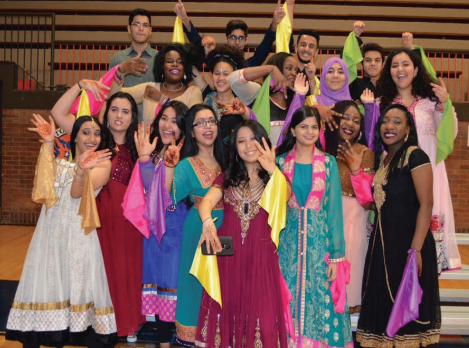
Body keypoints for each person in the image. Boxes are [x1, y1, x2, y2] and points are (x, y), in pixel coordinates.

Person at [6, 114, 116, 348]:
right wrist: (48, 143)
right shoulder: (57, 162)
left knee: (76, 295)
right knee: (46, 293)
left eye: (97, 133)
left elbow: (77, 193)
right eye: (86, 132)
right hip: (48, 239)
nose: (92, 138)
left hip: (77, 239)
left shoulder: (103, 163)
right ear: (74, 135)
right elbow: (43, 189)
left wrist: (81, 170)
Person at [51, 81, 144, 342]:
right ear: (106, 113)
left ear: (132, 117)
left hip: (128, 218)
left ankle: (126, 324)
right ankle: (95, 323)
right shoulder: (93, 136)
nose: (119, 115)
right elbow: (58, 114)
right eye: (114, 109)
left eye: (125, 111)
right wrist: (79, 86)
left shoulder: (139, 144)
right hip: (97, 215)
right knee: (98, 270)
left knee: (126, 269)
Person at [194, 120, 290, 347]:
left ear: (264, 142)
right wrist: (207, 222)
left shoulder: (275, 178)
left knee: (262, 313)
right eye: (241, 141)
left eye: (253, 139)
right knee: (227, 305)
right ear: (235, 148)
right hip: (228, 254)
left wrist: (271, 169)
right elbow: (206, 202)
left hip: (261, 255)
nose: (248, 145)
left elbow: (284, 198)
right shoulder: (227, 178)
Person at [365, 48, 460, 272]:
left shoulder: (431, 101)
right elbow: (374, 142)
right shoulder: (382, 103)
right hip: (395, 179)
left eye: (405, 64)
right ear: (389, 72)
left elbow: (450, 134)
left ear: (416, 70)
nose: (400, 69)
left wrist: (445, 104)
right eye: (395, 65)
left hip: (428, 175)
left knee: (425, 254)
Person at [356, 104, 441, 347]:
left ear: (407, 129)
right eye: (385, 121)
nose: (389, 126)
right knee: (385, 310)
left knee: (404, 313)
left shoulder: (415, 156)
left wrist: (415, 251)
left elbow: (426, 205)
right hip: (383, 246)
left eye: (397, 121)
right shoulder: (385, 160)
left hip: (408, 245)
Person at [276, 106, 353, 347]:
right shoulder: (279, 163)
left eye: (313, 127)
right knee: (285, 300)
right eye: (303, 126)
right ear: (293, 130)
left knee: (322, 304)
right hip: (286, 252)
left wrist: (337, 257)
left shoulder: (328, 163)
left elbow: (334, 213)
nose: (309, 132)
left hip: (320, 252)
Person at [166, 104, 227, 346]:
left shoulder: (231, 158)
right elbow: (168, 197)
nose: (207, 126)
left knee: (225, 288)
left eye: (211, 121)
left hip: (229, 230)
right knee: (197, 286)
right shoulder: (186, 165)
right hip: (198, 233)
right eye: (200, 123)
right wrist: (169, 168)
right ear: (191, 132)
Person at [135, 100, 190, 348]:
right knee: (158, 288)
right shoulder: (154, 151)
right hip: (154, 234)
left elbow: (167, 197)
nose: (168, 125)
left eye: (175, 120)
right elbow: (149, 191)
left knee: (175, 287)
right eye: (164, 118)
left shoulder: (188, 156)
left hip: (178, 230)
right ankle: (163, 344)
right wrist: (145, 158)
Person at [324, 100, 374, 313]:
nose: (350, 124)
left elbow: (368, 200)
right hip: (325, 216)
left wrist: (356, 170)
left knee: (350, 266)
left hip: (354, 216)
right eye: (345, 117)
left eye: (356, 121)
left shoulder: (365, 153)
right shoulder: (323, 148)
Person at [174, 0, 295, 67]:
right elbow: (197, 42)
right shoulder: (216, 61)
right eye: (233, 37)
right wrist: (185, 19)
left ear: (246, 41)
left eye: (241, 38)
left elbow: (267, 43)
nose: (237, 42)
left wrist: (274, 23)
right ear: (226, 39)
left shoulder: (250, 65)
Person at [110, 43, 203, 127]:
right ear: (162, 67)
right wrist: (121, 71)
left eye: (180, 62)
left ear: (185, 68)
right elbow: (115, 96)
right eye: (170, 61)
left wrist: (163, 99)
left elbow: (194, 123)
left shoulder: (193, 92)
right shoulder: (150, 89)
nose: (175, 64)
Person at [229, 52, 297, 144]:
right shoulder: (258, 94)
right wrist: (271, 69)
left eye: (296, 70)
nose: (294, 73)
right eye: (289, 68)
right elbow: (233, 80)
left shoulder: (296, 102)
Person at [108, 8, 158, 122]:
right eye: (137, 24)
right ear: (129, 29)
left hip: (151, 123)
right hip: (122, 122)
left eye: (145, 25)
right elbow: (109, 94)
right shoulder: (117, 59)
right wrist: (122, 70)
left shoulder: (159, 58)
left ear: (150, 30)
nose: (141, 29)